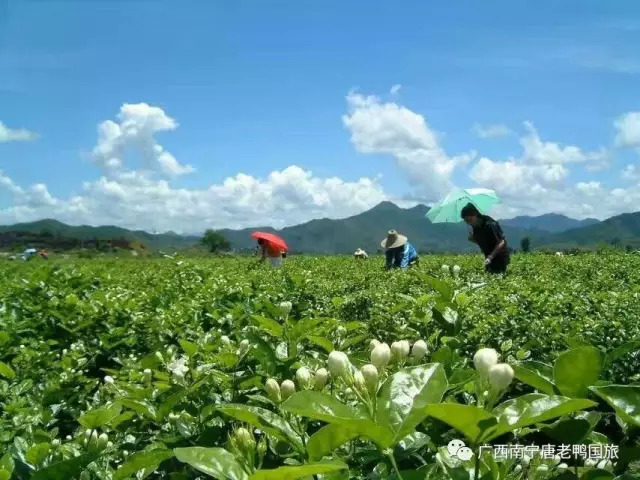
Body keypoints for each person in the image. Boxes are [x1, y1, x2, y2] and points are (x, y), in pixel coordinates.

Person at [461, 203, 510, 274]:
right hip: (488, 256)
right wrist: (474, 240)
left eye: (470, 219)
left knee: (496, 276)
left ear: (476, 215)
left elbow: (501, 242)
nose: (469, 223)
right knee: (489, 276)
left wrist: (491, 257)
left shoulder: (490, 225)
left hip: (500, 257)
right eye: (466, 221)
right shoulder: (475, 226)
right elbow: (484, 242)